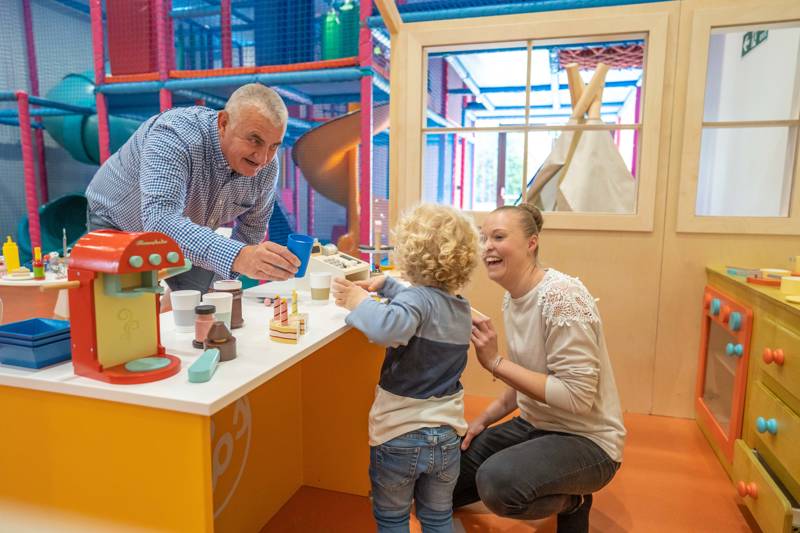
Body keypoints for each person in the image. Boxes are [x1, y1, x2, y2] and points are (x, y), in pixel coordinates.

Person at [454, 203, 626, 533]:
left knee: (497, 483)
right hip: (535, 424)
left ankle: (574, 501)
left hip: (588, 440)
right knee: (444, 476)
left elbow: (577, 398)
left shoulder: (562, 296)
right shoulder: (513, 297)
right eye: (483, 238)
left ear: (531, 242)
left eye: (499, 236)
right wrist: (483, 420)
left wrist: (495, 363)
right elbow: (526, 381)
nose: (487, 246)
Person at [331, 203, 479, 533]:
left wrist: (357, 301)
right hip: (446, 438)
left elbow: (387, 328)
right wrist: (387, 285)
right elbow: (424, 306)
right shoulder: (460, 308)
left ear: (411, 255)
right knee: (438, 517)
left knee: (393, 518)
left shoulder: (417, 302)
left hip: (400, 435)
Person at [85, 83, 299, 294]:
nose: (263, 158)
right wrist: (238, 256)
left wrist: (220, 286)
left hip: (185, 233)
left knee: (205, 305)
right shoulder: (174, 135)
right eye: (255, 140)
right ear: (223, 123)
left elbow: (251, 230)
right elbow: (160, 221)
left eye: (274, 146)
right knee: (126, 316)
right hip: (117, 222)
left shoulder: (267, 168)